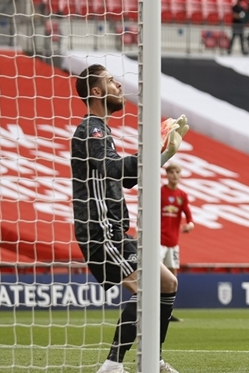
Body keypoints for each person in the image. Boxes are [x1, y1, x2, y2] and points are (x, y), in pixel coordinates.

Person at [71, 64, 188, 373]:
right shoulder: (91, 129)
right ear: (96, 92)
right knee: (149, 289)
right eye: (111, 81)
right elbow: (113, 169)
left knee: (166, 282)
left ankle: (149, 359)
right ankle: (116, 364)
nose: (119, 86)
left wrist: (163, 155)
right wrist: (158, 149)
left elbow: (124, 179)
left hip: (113, 231)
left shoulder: (102, 130)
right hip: (100, 230)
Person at [160, 163, 194, 322]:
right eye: (171, 172)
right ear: (166, 175)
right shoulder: (160, 192)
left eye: (177, 172)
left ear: (180, 175)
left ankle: (167, 311)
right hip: (158, 242)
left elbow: (188, 214)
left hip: (173, 243)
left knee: (173, 277)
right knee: (156, 274)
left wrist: (190, 224)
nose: (174, 175)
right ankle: (151, 308)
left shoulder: (182, 195)